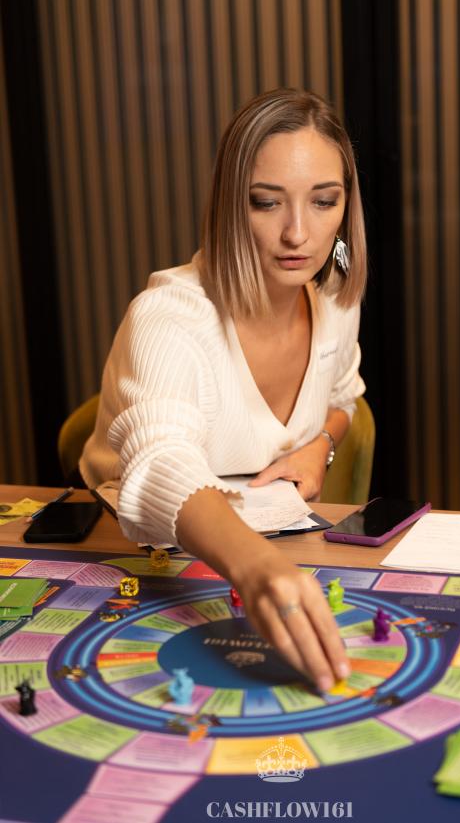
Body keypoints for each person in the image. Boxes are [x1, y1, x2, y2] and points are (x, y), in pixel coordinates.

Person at [81, 88, 367, 692]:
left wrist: (321, 445)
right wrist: (257, 567)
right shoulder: (168, 316)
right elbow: (161, 463)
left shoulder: (337, 299)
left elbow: (344, 396)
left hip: (280, 555)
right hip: (139, 562)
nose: (298, 233)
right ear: (230, 206)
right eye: (267, 202)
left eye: (324, 201)